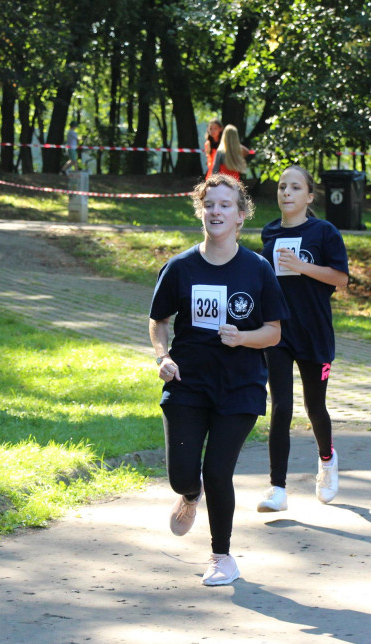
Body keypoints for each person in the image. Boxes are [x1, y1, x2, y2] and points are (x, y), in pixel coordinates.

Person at [149, 174, 289, 586]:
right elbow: (158, 322)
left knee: (217, 471)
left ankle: (222, 556)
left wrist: (243, 337)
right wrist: (163, 356)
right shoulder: (180, 267)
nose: (216, 212)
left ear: (240, 216)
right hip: (188, 382)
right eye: (209, 205)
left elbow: (275, 332)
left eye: (225, 205)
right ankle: (189, 495)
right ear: (201, 211)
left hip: (240, 386)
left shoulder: (256, 269)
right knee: (182, 475)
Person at [257, 165, 349, 513]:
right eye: (282, 186)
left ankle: (327, 460)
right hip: (278, 332)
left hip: (314, 333)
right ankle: (277, 489)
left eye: (295, 187)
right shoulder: (269, 233)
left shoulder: (324, 232)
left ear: (309, 196)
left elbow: (340, 279)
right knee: (281, 407)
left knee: (314, 407)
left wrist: (301, 266)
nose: (286, 193)